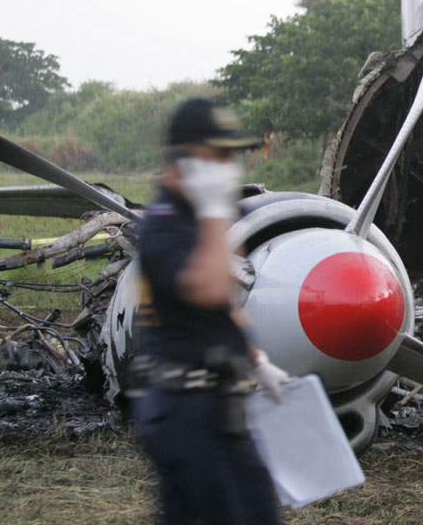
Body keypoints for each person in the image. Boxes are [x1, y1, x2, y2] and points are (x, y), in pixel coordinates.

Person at [132, 97, 288, 525]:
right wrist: (216, 211)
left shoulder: (197, 217)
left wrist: (256, 361)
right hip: (183, 408)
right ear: (183, 159)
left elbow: (224, 305)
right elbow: (209, 286)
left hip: (219, 406)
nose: (227, 166)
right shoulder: (164, 223)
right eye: (217, 155)